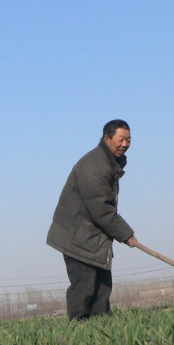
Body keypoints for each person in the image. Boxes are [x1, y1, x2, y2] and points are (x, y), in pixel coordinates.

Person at [46, 119, 137, 320]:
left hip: (93, 236)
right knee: (84, 287)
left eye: (129, 140)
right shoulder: (94, 167)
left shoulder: (107, 163)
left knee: (102, 287)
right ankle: (79, 332)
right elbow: (101, 210)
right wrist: (126, 234)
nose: (125, 144)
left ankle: (102, 328)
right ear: (107, 139)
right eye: (121, 139)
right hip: (77, 237)